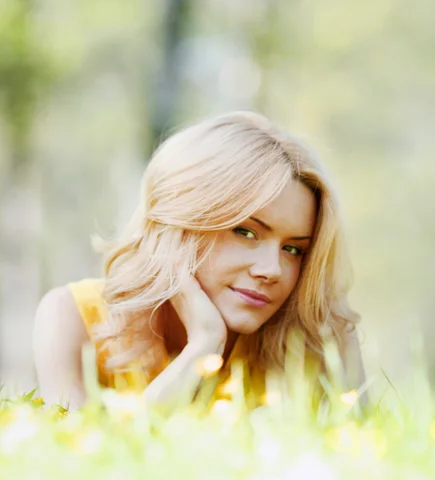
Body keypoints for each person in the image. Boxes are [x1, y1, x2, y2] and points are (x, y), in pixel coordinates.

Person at [32, 111, 365, 411]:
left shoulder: (315, 336)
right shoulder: (73, 317)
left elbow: (367, 463)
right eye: (245, 232)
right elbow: (80, 463)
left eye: (293, 249)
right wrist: (203, 348)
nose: (272, 270)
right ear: (182, 223)